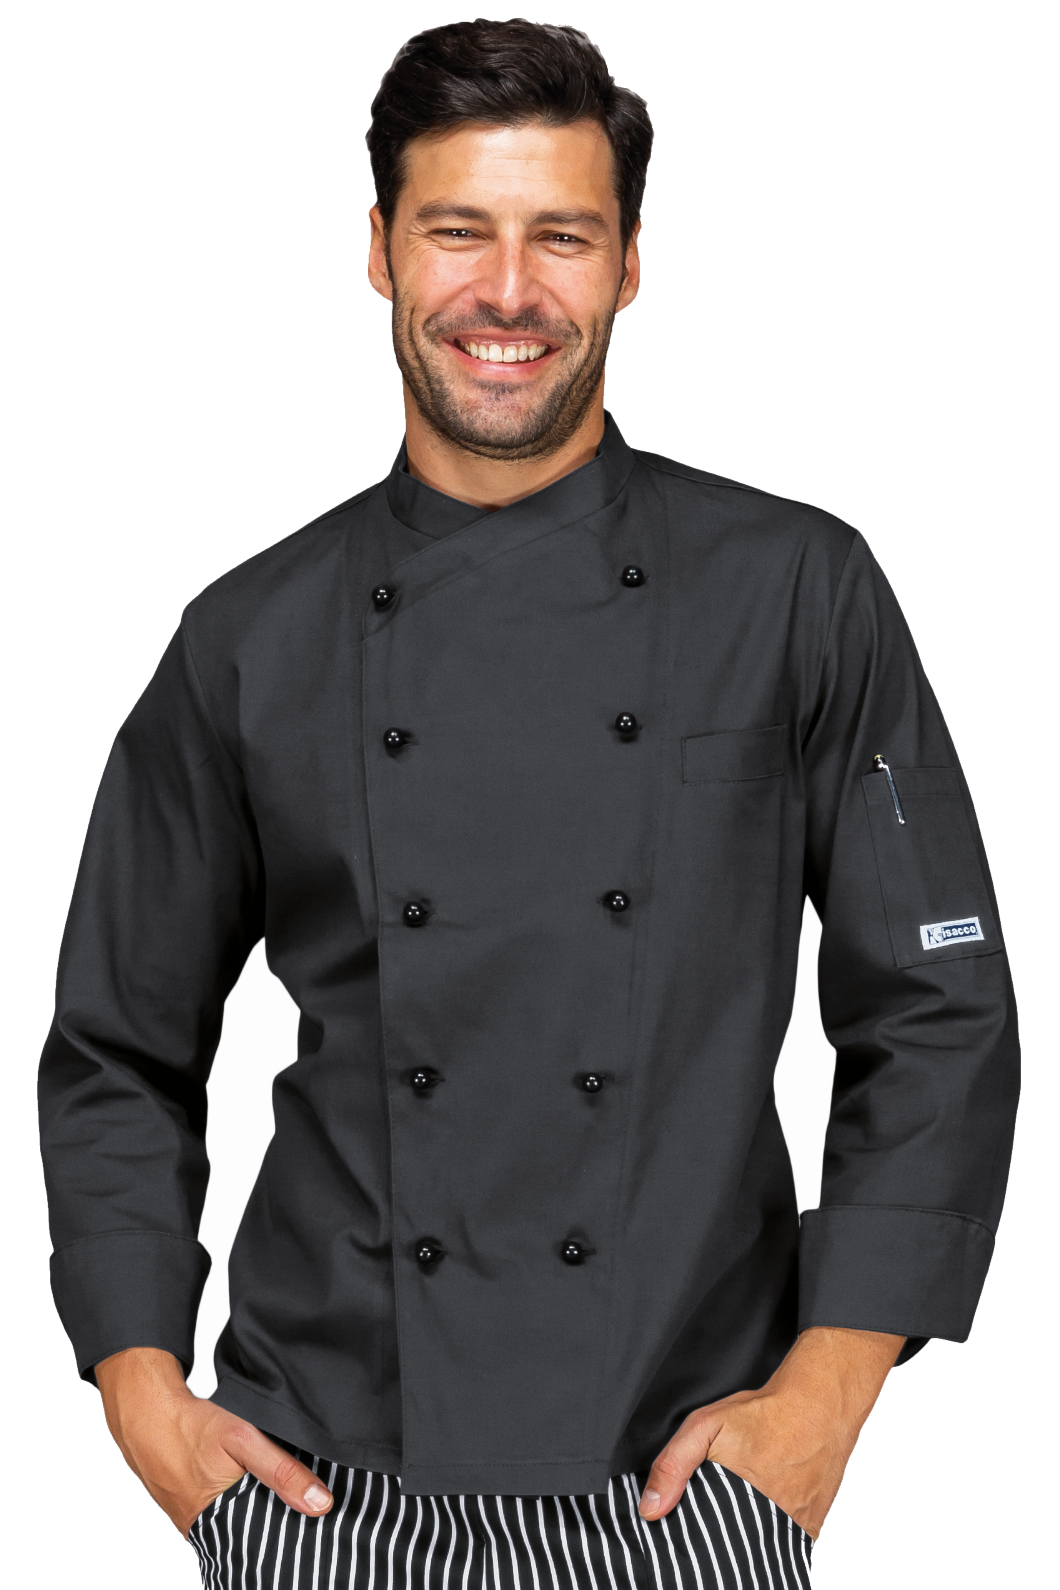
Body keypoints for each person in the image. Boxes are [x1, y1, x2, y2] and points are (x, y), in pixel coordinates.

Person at [39, 18, 1019, 1589]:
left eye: (561, 235)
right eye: (457, 232)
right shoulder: (249, 638)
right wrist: (142, 1391)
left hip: (687, 1485)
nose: (507, 292)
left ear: (629, 264)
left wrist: (824, 1402)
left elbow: (940, 1007)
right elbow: (118, 1047)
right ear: (379, 250)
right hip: (327, 1488)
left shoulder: (796, 592)